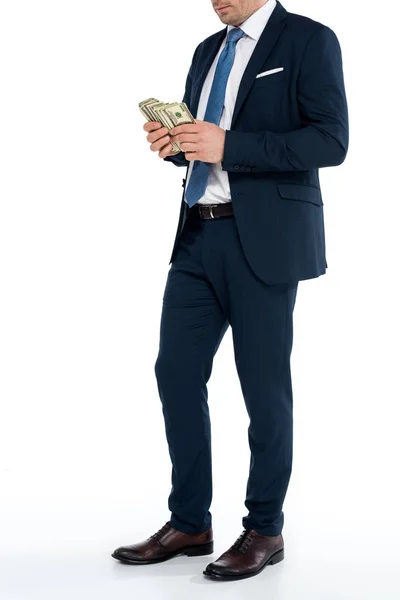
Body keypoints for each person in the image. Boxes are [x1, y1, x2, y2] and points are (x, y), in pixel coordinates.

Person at [111, 0, 349, 582]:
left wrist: (229, 145)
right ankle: (190, 521)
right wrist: (177, 147)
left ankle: (265, 529)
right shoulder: (206, 50)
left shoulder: (308, 40)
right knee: (175, 372)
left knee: (263, 391)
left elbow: (330, 142)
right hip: (198, 236)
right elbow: (204, 144)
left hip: (263, 242)